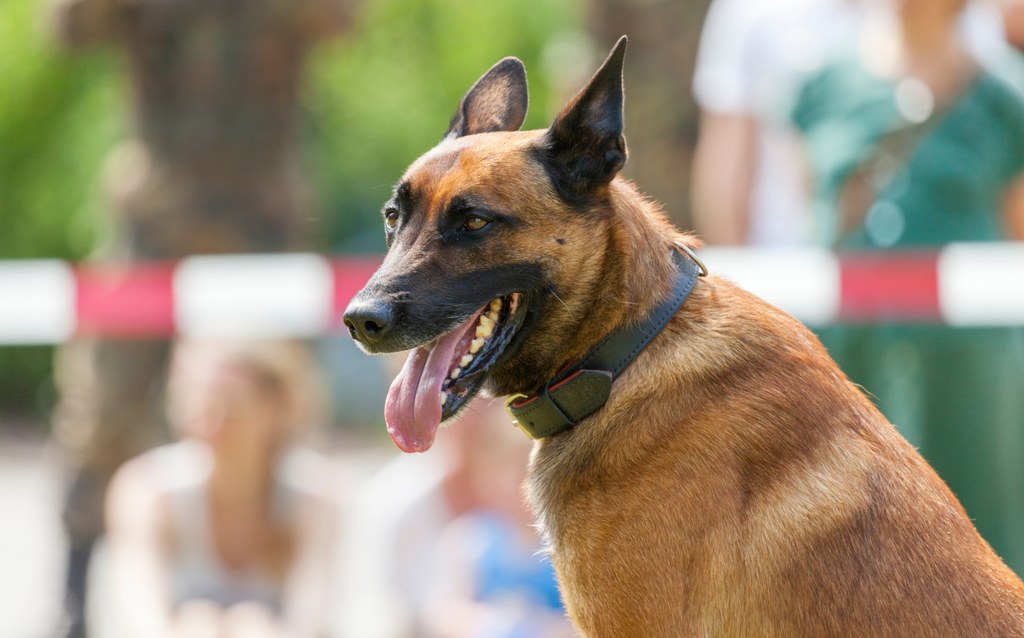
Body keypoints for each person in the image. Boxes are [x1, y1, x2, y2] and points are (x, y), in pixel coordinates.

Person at [48, 1, 349, 634]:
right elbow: (67, 32)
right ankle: (73, 597)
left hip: (259, 213)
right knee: (104, 405)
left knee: (276, 405)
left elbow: (340, 22)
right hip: (156, 212)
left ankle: (287, 589)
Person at [790, 0, 1024, 575]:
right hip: (845, 364)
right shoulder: (820, 87)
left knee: (982, 560)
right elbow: (809, 218)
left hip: (969, 376)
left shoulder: (1003, 98)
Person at [104, 339, 338, 638]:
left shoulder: (313, 495)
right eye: (198, 406)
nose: (212, 425)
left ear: (277, 408)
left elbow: (309, 617)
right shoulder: (147, 490)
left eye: (232, 406)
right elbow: (141, 617)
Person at [336, 399, 571, 638]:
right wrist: (492, 622)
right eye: (505, 471)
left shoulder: (563, 548)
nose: (517, 485)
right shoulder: (472, 539)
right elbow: (444, 610)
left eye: (526, 473)